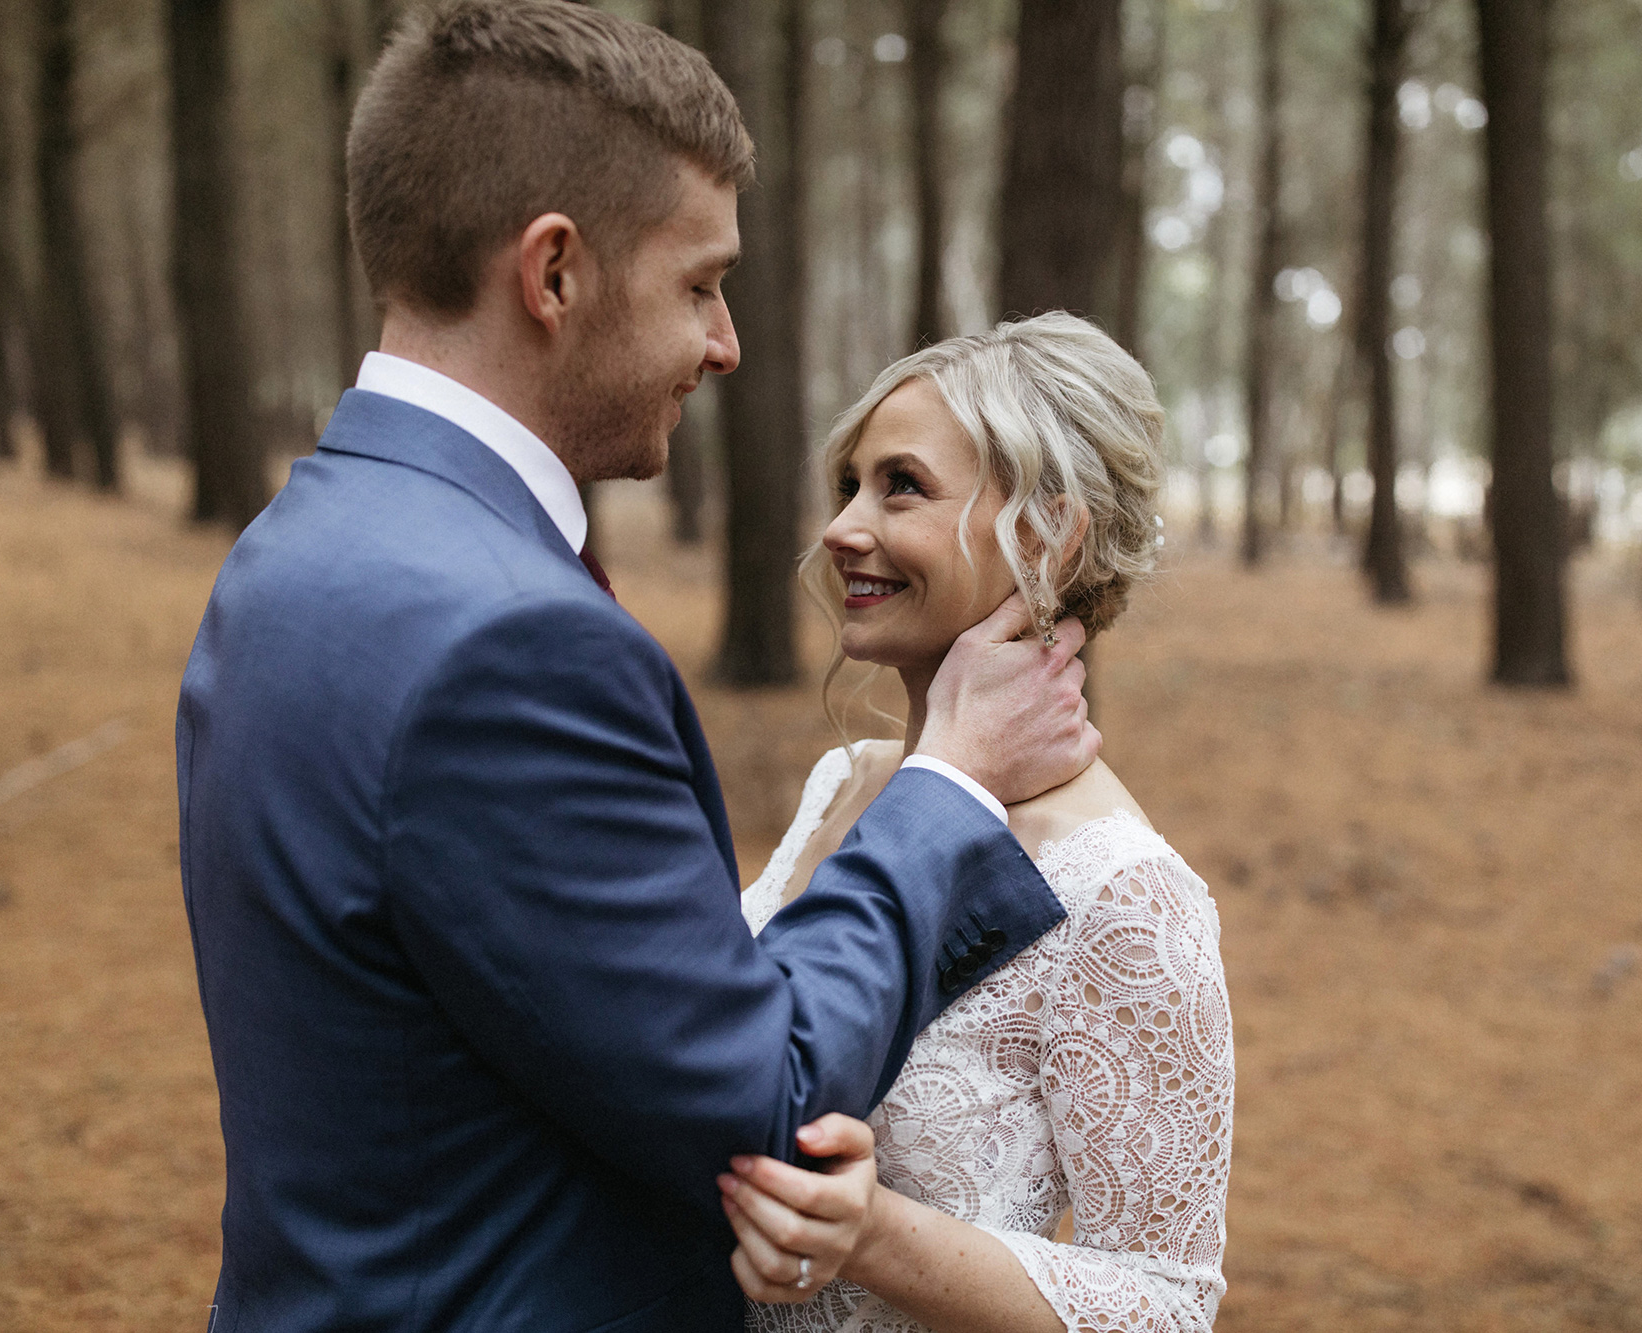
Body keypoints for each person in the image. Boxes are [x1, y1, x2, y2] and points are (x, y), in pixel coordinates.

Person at [173, 6, 1098, 1330]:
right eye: (698, 283)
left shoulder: (297, 543)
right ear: (554, 273)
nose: (723, 344)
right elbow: (761, 1095)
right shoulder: (511, 642)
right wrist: (947, 783)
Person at [725, 314, 1235, 1332]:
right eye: (848, 485)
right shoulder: (845, 784)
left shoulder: (1123, 893)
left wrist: (871, 1236)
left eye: (900, 485)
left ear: (1047, 536)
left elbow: (1166, 1307)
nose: (840, 528)